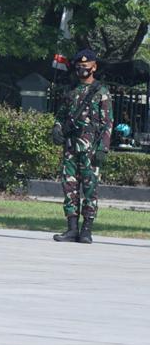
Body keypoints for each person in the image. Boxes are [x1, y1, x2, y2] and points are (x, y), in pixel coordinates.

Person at [51, 49, 112, 244]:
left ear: (94, 67)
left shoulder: (101, 92)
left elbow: (107, 123)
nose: (81, 69)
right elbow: (61, 115)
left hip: (90, 148)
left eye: (85, 66)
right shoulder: (72, 90)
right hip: (71, 147)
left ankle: (86, 230)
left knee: (90, 188)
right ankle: (72, 229)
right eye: (78, 66)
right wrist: (57, 128)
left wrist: (103, 148)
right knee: (69, 187)